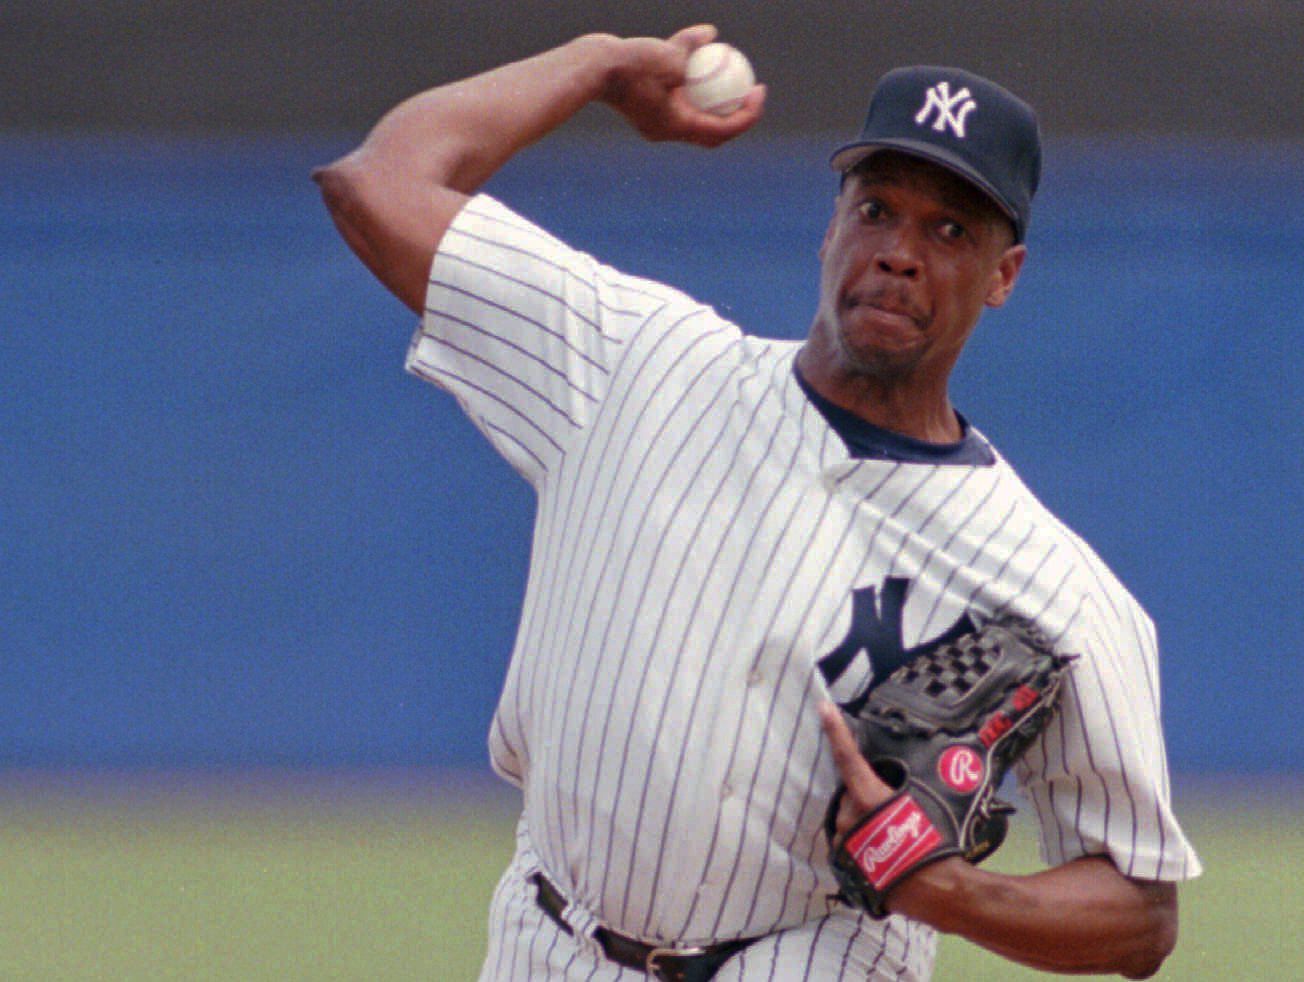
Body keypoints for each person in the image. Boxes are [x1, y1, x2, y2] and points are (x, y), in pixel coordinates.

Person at [314, 24, 1201, 981]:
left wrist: (951, 893)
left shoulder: (1053, 588)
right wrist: (600, 67)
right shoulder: (636, 363)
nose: (900, 253)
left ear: (1004, 275)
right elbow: (381, 182)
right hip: (549, 945)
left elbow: (1140, 917)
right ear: (831, 226)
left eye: (949, 230)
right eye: (877, 210)